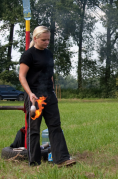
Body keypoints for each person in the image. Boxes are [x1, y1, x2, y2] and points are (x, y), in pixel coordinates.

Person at [19, 26, 76, 167]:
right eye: (43, 40)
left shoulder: (49, 54)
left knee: (55, 126)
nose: (46, 42)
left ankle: (62, 159)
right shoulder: (28, 55)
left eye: (48, 40)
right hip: (34, 98)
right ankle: (34, 162)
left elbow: (49, 75)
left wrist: (52, 92)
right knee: (34, 129)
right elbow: (22, 76)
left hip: (49, 96)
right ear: (35, 38)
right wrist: (30, 93)